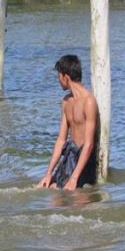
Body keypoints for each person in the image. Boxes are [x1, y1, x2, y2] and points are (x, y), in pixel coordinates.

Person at [37, 55, 98, 190]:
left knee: (69, 195)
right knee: (49, 188)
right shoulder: (66, 102)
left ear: (66, 77)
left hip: (84, 159)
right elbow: (61, 140)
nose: (58, 80)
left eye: (59, 76)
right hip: (70, 156)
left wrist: (74, 178)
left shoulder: (88, 101)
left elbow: (89, 144)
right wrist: (48, 173)